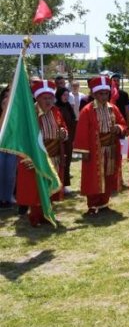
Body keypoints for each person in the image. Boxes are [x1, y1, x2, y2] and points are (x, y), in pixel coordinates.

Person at [73, 75, 128, 215]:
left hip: (110, 149)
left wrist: (119, 128)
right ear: (94, 94)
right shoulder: (87, 110)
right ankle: (92, 205)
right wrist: (84, 151)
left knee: (108, 175)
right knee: (93, 177)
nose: (104, 96)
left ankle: (104, 203)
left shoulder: (113, 108)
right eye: (101, 93)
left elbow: (123, 123)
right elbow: (82, 131)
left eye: (106, 93)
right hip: (94, 150)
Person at [18, 80, 68, 226]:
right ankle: (36, 216)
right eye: (45, 98)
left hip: (54, 154)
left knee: (51, 184)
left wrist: (63, 132)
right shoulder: (30, 114)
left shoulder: (56, 111)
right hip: (38, 156)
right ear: (37, 98)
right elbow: (23, 137)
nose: (48, 101)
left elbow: (62, 126)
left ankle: (47, 213)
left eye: (50, 98)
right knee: (37, 186)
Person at [55, 85, 77, 193]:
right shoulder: (55, 108)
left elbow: (73, 122)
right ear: (59, 95)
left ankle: (64, 185)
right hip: (58, 141)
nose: (66, 97)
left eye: (67, 95)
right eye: (64, 95)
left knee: (67, 162)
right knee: (59, 162)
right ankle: (57, 185)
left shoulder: (68, 106)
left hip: (69, 140)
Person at [0, 87, 18, 209]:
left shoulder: (14, 118)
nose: (6, 106)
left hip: (11, 149)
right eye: (4, 104)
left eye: (8, 104)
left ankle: (8, 196)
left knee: (10, 174)